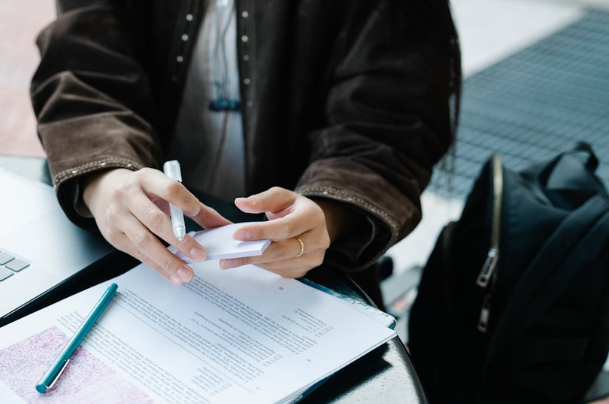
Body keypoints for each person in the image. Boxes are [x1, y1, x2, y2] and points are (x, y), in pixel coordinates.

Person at [30, 0, 461, 304]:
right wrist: (107, 179)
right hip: (130, 255)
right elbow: (81, 69)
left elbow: (392, 122)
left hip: (310, 278)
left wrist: (328, 214)